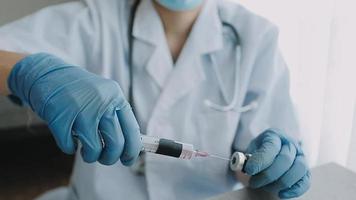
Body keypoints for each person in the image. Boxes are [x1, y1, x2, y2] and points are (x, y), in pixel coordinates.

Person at [0, 0, 311, 199]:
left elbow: (256, 163)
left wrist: (268, 167)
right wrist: (30, 74)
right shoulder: (95, 20)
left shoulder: (255, 37)